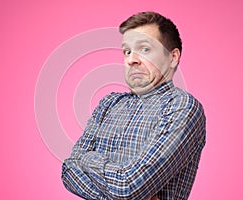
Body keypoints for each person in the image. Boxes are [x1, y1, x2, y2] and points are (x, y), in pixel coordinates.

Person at [61, 11, 206, 200]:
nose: (131, 59)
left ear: (173, 57)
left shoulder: (182, 107)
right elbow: (68, 171)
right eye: (127, 51)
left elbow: (128, 188)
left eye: (145, 49)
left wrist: (86, 159)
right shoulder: (108, 104)